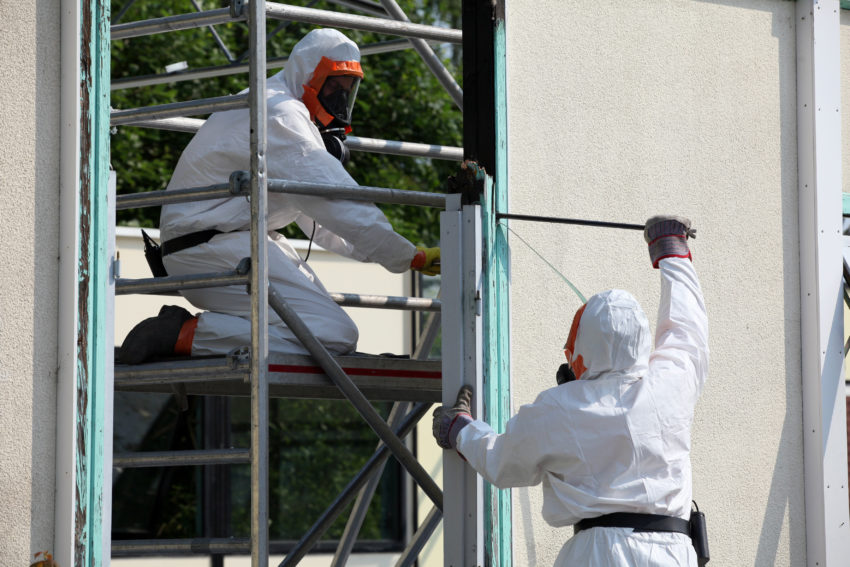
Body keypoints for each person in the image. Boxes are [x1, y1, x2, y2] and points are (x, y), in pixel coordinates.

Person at [120, 28, 440, 364]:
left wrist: (401, 254)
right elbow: (334, 199)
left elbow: (322, 220)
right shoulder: (281, 114)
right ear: (308, 75)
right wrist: (405, 255)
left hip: (218, 245)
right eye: (333, 86)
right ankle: (182, 335)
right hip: (210, 248)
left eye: (347, 90)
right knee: (332, 335)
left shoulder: (277, 108)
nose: (339, 100)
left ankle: (195, 332)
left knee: (329, 332)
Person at [433, 215, 708, 566]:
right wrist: (672, 251)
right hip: (675, 553)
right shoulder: (672, 383)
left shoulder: (560, 407)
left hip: (599, 554)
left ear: (583, 351)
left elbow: (502, 461)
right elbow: (686, 328)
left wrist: (459, 429)